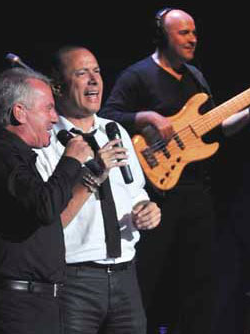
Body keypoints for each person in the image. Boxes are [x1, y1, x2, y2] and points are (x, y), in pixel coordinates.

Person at [101, 8, 250, 333]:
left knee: (199, 281)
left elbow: (218, 128)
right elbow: (108, 117)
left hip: (196, 192)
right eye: (183, 32)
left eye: (194, 32)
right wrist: (147, 118)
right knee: (149, 276)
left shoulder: (196, 77)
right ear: (162, 36)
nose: (192, 38)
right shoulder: (137, 75)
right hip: (155, 193)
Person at [35, 45, 161, 334]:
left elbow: (135, 191)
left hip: (125, 274)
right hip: (74, 279)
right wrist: (95, 170)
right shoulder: (47, 141)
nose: (94, 80)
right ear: (58, 86)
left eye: (97, 72)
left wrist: (147, 210)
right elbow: (48, 215)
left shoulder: (115, 130)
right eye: (82, 73)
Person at [0, 67, 93, 334]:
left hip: (42, 304)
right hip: (13, 308)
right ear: (19, 112)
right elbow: (44, 206)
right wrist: (70, 161)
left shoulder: (21, 159)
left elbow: (50, 214)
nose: (55, 118)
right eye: (48, 108)